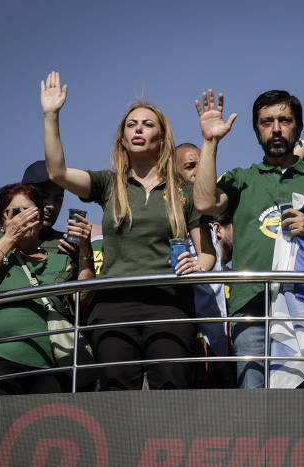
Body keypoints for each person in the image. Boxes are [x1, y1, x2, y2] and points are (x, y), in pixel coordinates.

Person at [40, 71, 214, 390]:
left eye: (148, 124)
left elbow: (207, 255)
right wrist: (51, 115)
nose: (138, 129)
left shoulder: (184, 193)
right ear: (122, 138)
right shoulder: (109, 184)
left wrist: (197, 265)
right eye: (131, 125)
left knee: (172, 388)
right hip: (113, 306)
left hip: (169, 303)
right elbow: (58, 171)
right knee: (116, 391)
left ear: (162, 138)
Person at [194, 89, 304, 388]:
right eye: (267, 122)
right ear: (256, 131)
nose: (276, 128)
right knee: (252, 404)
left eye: (284, 120)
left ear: (298, 126)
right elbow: (204, 203)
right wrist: (209, 142)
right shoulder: (242, 179)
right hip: (251, 307)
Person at [0, 184, 94, 395]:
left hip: (48, 363)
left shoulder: (60, 260)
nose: (23, 218)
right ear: (2, 222)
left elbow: (82, 299)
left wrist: (85, 248)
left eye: (29, 211)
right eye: (15, 213)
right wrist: (10, 238)